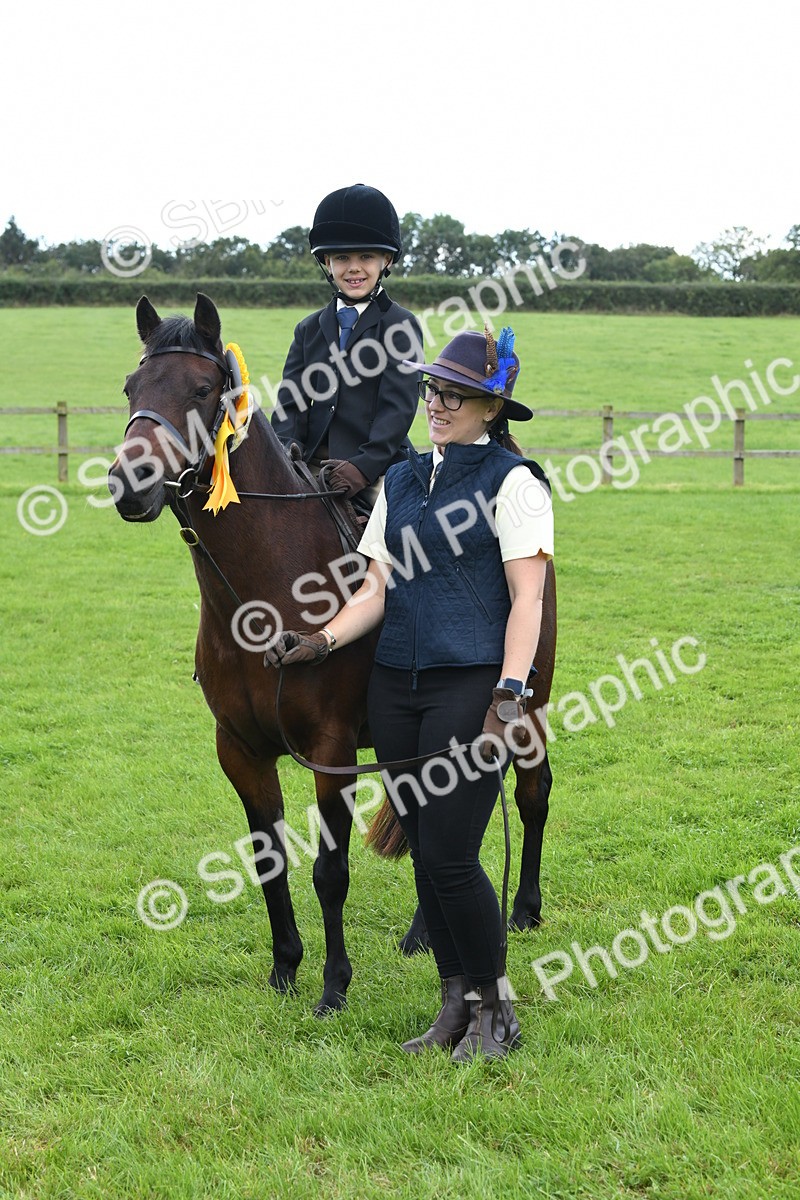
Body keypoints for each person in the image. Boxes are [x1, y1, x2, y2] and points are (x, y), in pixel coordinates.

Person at [266, 327, 554, 1062]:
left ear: (491, 408)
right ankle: (454, 1005)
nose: (437, 404)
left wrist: (509, 696)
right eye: (433, 390)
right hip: (395, 686)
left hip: (471, 686)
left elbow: (528, 601)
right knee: (425, 852)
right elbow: (375, 588)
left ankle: (497, 1011)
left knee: (453, 855)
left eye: (455, 394)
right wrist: (322, 640)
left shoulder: (515, 484)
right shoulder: (399, 481)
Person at [271, 183, 423, 514]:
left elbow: (397, 411)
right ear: (327, 262)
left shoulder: (400, 326)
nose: (353, 267)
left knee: (402, 528)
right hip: (311, 465)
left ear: (386, 260)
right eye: (342, 257)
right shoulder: (308, 329)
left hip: (377, 468)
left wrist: (362, 468)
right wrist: (285, 451)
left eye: (365, 256)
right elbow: (291, 403)